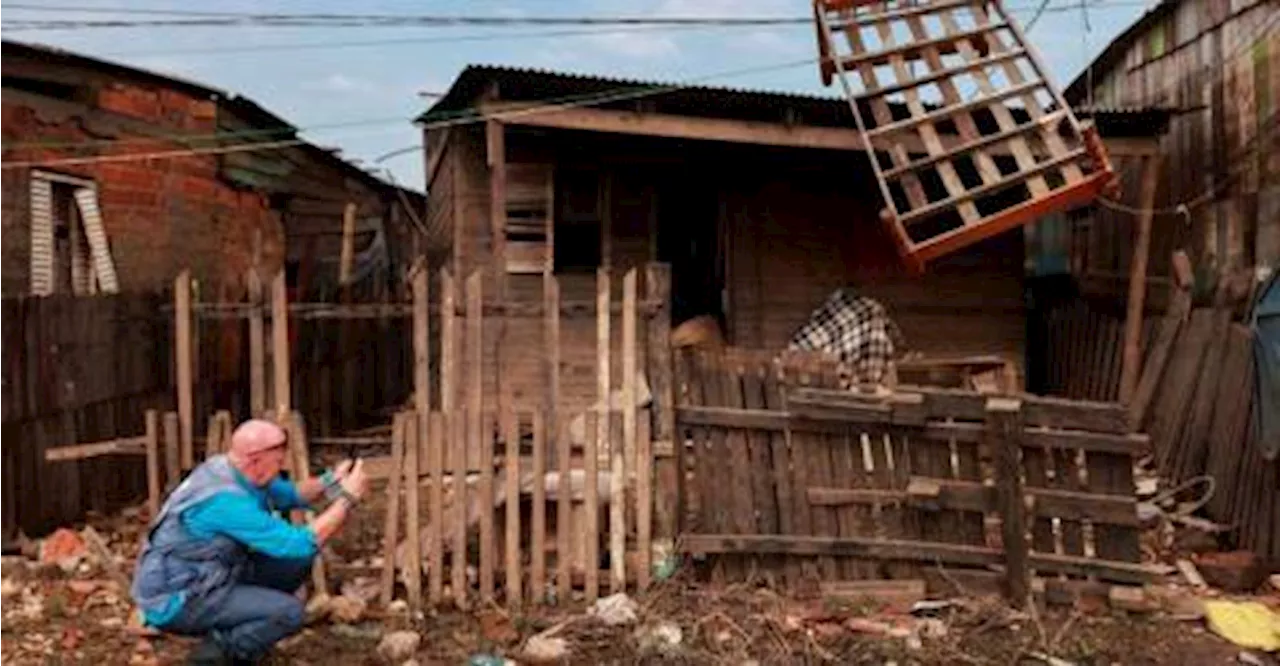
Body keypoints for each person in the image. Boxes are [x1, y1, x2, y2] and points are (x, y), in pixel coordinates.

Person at [129, 418, 370, 665]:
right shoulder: (226, 501)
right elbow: (298, 542)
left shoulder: (231, 469)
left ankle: (244, 628)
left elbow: (290, 494)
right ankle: (217, 654)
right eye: (277, 461)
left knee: (296, 562)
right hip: (180, 596)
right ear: (256, 460)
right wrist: (347, 499)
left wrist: (331, 482)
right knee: (288, 612)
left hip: (210, 573)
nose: (280, 467)